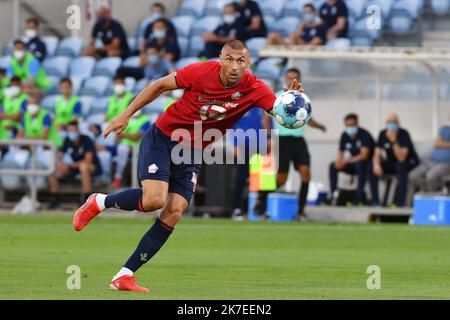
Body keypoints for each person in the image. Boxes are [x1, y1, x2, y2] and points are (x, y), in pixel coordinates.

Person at [72, 40, 304, 292]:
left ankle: (124, 276)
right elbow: (159, 85)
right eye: (229, 59)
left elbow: (280, 112)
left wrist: (291, 100)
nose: (235, 66)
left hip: (192, 150)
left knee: (174, 211)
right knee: (153, 200)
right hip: (163, 137)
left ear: (248, 64)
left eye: (241, 61)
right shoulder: (199, 72)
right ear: (220, 59)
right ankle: (99, 202)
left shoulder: (256, 88)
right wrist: (126, 114)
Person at [259, 68, 327, 219]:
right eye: (289, 78)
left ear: (299, 79)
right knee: (281, 178)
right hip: (282, 140)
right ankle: (261, 200)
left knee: (306, 174)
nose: (291, 81)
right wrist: (269, 136)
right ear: (285, 79)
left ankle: (301, 211)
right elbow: (265, 118)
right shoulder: (278, 96)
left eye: (294, 78)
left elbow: (306, 118)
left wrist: (319, 126)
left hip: (298, 140)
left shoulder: (302, 97)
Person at [17, 94, 62, 208]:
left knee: (50, 170)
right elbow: (20, 135)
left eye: (34, 103)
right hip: (34, 148)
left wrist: (27, 140)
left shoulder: (45, 116)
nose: (32, 106)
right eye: (30, 104)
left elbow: (43, 137)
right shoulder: (25, 116)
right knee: (24, 166)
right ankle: (30, 197)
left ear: (39, 105)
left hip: (48, 148)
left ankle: (55, 198)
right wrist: (28, 141)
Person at [329, 113, 377, 205]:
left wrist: (346, 161)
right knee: (333, 166)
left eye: (352, 125)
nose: (350, 128)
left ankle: (359, 197)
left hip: (365, 165)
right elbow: (341, 152)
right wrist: (339, 161)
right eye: (348, 125)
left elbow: (364, 155)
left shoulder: (365, 135)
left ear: (357, 124)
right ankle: (334, 195)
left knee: (360, 165)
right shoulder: (344, 135)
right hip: (351, 164)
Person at [373, 114, 419, 207]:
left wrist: (394, 141)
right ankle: (376, 201)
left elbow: (401, 158)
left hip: (408, 162)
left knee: (400, 166)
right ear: (386, 124)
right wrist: (376, 165)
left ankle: (401, 202)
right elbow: (377, 153)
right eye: (389, 122)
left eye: (394, 122)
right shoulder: (383, 134)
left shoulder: (404, 134)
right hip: (392, 162)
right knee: (372, 167)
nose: (392, 124)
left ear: (398, 123)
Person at [52, 121, 102, 205]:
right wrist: (59, 164)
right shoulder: (67, 140)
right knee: (52, 169)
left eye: (73, 130)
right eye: (69, 131)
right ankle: (55, 199)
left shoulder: (86, 139)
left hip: (91, 167)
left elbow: (88, 160)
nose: (71, 133)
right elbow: (59, 155)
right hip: (74, 168)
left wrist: (71, 165)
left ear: (78, 130)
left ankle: (87, 201)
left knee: (83, 167)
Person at [229, 107, 265, 220]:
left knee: (262, 180)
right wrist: (234, 144)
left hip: (260, 147)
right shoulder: (242, 105)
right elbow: (231, 125)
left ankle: (261, 210)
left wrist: (269, 138)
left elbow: (268, 122)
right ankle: (237, 209)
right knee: (240, 179)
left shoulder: (261, 107)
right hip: (243, 146)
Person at [408, 119, 450, 205]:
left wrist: (443, 143)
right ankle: (431, 192)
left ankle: (432, 200)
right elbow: (437, 143)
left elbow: (440, 143)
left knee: (430, 176)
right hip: (431, 161)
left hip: (446, 163)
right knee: (412, 176)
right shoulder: (444, 129)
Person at [113, 110, 151, 188]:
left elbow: (136, 137)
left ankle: (139, 184)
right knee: (122, 149)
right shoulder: (126, 119)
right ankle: (117, 178)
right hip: (125, 146)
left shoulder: (145, 120)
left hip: (140, 146)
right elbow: (117, 136)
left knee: (125, 150)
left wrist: (123, 135)